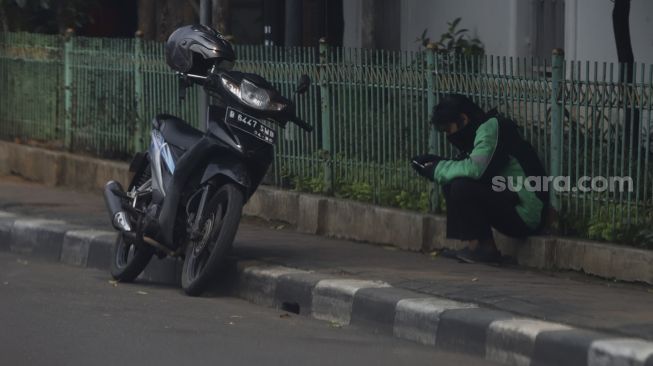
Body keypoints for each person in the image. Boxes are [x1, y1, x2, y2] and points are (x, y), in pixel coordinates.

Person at [411, 94, 548, 264]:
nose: (449, 136)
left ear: (463, 119)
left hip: (527, 214)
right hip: (511, 201)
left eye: (448, 130)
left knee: (462, 186)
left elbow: (476, 169)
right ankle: (475, 246)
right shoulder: (478, 133)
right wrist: (440, 165)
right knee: (453, 181)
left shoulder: (491, 128)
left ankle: (487, 250)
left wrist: (437, 168)